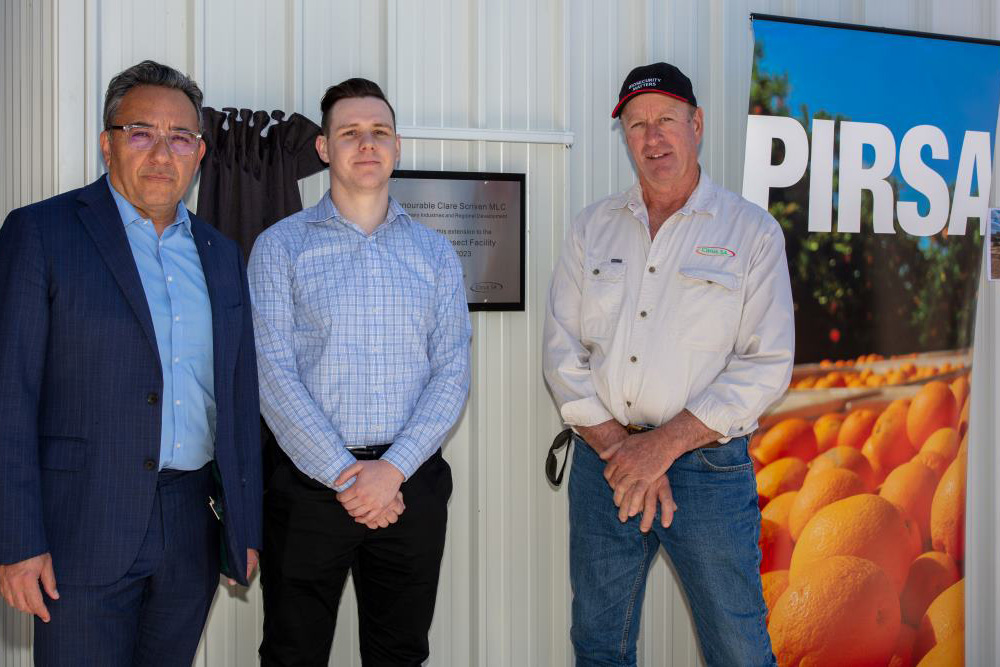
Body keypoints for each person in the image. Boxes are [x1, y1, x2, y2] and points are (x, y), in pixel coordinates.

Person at [0, 60, 262, 666]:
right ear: (107, 143)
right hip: (79, 529)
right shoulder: (41, 233)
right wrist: (17, 541)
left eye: (181, 138)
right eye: (142, 132)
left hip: (191, 524)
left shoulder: (221, 255)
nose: (162, 154)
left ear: (200, 153)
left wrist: (242, 526)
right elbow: (8, 395)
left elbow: (237, 398)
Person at [543, 62, 794, 667]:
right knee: (599, 643)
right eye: (636, 125)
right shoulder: (591, 229)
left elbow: (767, 364)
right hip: (605, 466)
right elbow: (562, 352)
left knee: (737, 646)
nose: (652, 139)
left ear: (697, 124)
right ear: (624, 136)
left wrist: (662, 448)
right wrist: (622, 450)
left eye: (666, 121)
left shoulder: (750, 232)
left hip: (708, 468)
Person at [249, 77, 471, 667]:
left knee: (398, 652)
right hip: (308, 488)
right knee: (292, 653)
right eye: (349, 133)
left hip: (410, 485)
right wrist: (349, 476)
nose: (366, 144)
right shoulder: (279, 248)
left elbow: (451, 374)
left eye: (379, 133)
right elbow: (272, 375)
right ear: (324, 148)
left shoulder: (435, 254)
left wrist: (391, 471)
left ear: (397, 147)